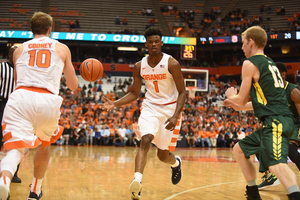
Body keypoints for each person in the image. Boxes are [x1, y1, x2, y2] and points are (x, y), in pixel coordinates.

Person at [101, 27, 186, 200]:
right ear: (146, 44)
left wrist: (176, 115)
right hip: (150, 107)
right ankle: (137, 182)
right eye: (150, 42)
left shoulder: (172, 64)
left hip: (170, 110)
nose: (154, 44)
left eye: (157, 41)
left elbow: (183, 92)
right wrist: (114, 104)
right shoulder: (140, 66)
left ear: (161, 43)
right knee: (145, 139)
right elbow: (134, 93)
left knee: (163, 155)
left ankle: (175, 163)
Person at [0, 11, 78, 200]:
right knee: (44, 143)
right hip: (47, 100)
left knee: (14, 149)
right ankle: (35, 189)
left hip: (21, 98)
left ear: (31, 29)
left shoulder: (19, 50)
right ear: (50, 29)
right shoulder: (62, 48)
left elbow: (18, 82)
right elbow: (73, 85)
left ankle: (4, 180)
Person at [224, 26, 300, 200]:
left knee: (277, 165)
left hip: (276, 121)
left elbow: (242, 98)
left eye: (243, 43)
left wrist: (231, 96)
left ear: (251, 42)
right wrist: (236, 105)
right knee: (240, 149)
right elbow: (260, 103)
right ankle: (253, 193)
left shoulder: (250, 63)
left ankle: (295, 196)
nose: (242, 47)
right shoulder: (270, 63)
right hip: (278, 119)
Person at [0, 46, 22, 183]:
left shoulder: (23, 69)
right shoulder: (1, 67)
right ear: (9, 55)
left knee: (16, 140)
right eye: (15, 54)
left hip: (17, 106)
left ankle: (13, 173)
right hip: (2, 103)